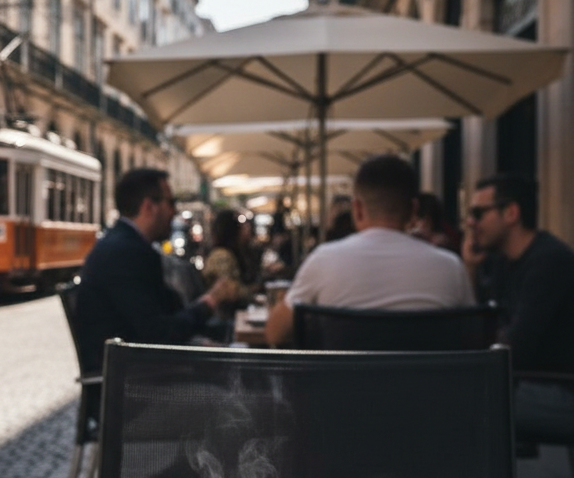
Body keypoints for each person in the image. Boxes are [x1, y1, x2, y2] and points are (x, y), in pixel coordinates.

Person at [266, 154, 474, 346]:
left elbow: (275, 333)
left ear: (357, 209)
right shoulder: (450, 266)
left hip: (342, 385)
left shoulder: (323, 259)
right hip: (430, 386)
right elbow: (473, 339)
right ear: (413, 210)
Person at [74, 169, 238, 375]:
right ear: (149, 207)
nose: (174, 212)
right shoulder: (127, 251)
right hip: (134, 383)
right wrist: (210, 301)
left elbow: (164, 321)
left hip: (139, 372)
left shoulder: (126, 245)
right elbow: (160, 334)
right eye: (171, 202)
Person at [464, 175, 574, 439]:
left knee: (465, 403)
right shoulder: (503, 261)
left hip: (560, 390)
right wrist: (470, 269)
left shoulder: (549, 262)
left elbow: (515, 346)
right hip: (526, 384)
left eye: (478, 213)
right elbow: (484, 323)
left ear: (511, 213)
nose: (470, 222)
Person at [202, 209, 257, 308]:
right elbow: (227, 291)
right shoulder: (221, 256)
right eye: (241, 226)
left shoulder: (228, 253)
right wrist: (251, 291)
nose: (246, 229)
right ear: (232, 230)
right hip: (224, 318)